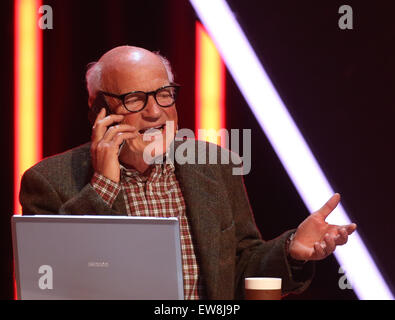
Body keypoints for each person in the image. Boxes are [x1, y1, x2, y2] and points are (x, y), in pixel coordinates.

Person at [20, 45, 357, 300]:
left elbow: (241, 268)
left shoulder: (214, 166)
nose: (156, 113)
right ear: (99, 109)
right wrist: (104, 186)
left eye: (164, 95)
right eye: (136, 99)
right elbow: (55, 286)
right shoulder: (48, 182)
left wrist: (290, 250)